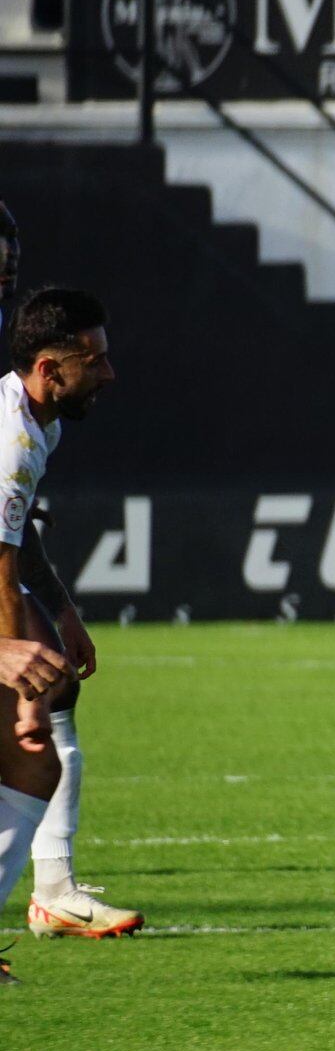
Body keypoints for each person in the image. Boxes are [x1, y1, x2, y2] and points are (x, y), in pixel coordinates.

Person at [0, 288, 127, 974]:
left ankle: (53, 890)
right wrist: (14, 666)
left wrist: (63, 614)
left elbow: (16, 542)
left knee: (46, 724)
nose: (108, 372)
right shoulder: (12, 438)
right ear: (50, 369)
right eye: (94, 360)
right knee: (33, 731)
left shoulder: (38, 422)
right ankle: (52, 891)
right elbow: (0, 558)